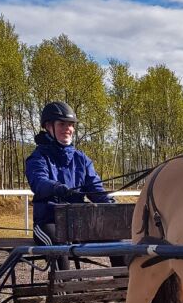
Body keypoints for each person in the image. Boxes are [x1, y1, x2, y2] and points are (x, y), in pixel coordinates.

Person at [25, 101, 122, 268]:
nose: (67, 129)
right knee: (59, 248)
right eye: (62, 124)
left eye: (70, 125)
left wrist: (111, 204)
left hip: (79, 221)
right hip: (49, 221)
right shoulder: (38, 157)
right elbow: (39, 182)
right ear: (49, 126)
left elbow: (95, 189)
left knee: (118, 241)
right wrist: (57, 188)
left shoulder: (81, 158)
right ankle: (64, 292)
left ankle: (123, 290)